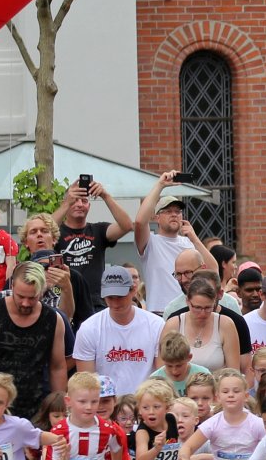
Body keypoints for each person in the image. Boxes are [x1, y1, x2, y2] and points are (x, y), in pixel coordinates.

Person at [0, 262, 69, 421]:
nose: (25, 303)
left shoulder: (54, 320)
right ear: (12, 286)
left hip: (34, 409)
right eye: (21, 296)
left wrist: (59, 407)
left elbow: (57, 367)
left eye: (32, 298)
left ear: (42, 291)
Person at [70, 265, 165, 404]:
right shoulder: (89, 328)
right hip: (106, 406)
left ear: (133, 290)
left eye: (120, 297)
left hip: (145, 405)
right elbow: (87, 383)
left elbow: (161, 377)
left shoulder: (156, 325)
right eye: (110, 297)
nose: (115, 303)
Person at [50, 177, 137, 323]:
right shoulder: (55, 233)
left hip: (95, 303)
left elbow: (127, 225)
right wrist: (66, 203)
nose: (79, 204)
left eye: (84, 201)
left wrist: (105, 195)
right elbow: (44, 228)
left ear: (89, 206)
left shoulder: (98, 230)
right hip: (65, 300)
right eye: (75, 200)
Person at [134, 171, 215, 302]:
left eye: (178, 211)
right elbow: (139, 222)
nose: (174, 214)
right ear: (157, 218)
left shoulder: (189, 243)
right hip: (159, 311)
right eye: (168, 211)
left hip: (187, 309)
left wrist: (194, 239)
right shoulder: (151, 242)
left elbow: (213, 270)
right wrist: (160, 185)